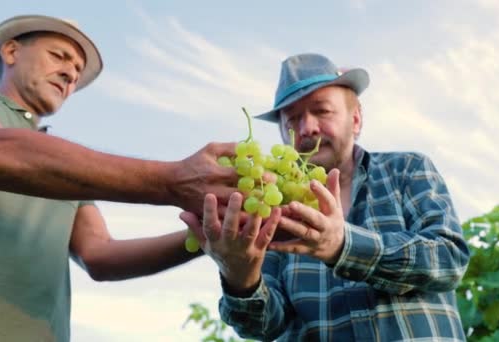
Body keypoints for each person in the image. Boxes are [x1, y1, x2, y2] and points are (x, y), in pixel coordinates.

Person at [0, 15, 239, 341]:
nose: (70, 73)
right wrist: (172, 181)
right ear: (11, 51)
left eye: (76, 71)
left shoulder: (63, 167)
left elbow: (100, 255)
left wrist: (208, 234)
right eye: (59, 56)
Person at [180, 53, 470, 341]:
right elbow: (263, 326)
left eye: (322, 111)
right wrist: (240, 280)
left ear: (355, 119)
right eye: (292, 119)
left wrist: (343, 245)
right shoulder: (269, 206)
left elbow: (449, 258)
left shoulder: (407, 169)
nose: (307, 128)